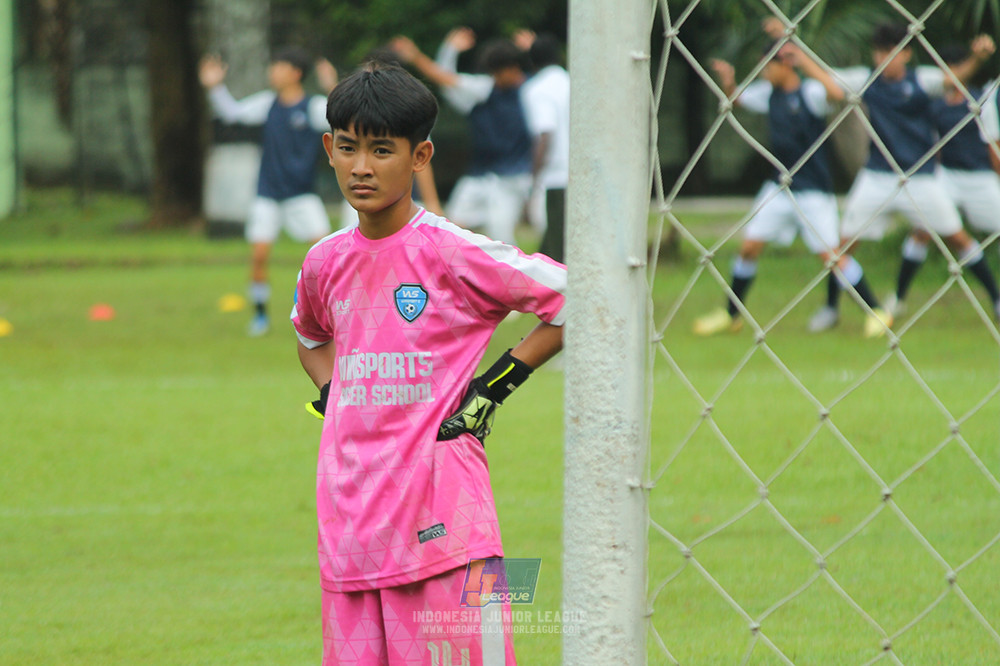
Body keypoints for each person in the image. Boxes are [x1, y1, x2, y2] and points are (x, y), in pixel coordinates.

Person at [291, 62, 566, 665]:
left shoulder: (453, 251)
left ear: (420, 156)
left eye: (382, 150)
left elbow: (577, 297)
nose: (362, 167)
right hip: (350, 531)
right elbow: (309, 333)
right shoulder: (324, 260)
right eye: (348, 148)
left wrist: (497, 384)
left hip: (453, 525)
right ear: (328, 151)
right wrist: (333, 387)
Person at [814, 24, 999, 334]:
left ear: (906, 53)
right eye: (879, 52)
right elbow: (831, 79)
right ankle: (863, 304)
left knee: (957, 239)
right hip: (900, 177)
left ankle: (995, 298)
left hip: (949, 180)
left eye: (891, 52)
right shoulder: (875, 83)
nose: (884, 58)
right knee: (850, 247)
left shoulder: (966, 96)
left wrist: (978, 58)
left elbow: (990, 139)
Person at [693, 40, 885, 337]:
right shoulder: (769, 94)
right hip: (779, 187)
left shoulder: (809, 92)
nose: (763, 73)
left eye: (767, 66)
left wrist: (804, 60)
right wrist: (729, 83)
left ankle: (876, 311)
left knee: (832, 257)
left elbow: (836, 94)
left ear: (785, 65)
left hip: (813, 191)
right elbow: (739, 100)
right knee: (748, 248)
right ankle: (731, 315)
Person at [200, 47, 337, 336]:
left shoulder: (312, 107)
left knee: (327, 256)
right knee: (259, 256)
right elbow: (233, 113)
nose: (272, 72)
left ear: (295, 73)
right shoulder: (267, 104)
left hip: (302, 195)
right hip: (268, 195)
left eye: (279, 66)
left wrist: (332, 87)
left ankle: (331, 312)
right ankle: (260, 317)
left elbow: (341, 117)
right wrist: (214, 87)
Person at [886, 44, 1000, 319]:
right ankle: (898, 299)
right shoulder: (934, 105)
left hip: (980, 177)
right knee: (922, 230)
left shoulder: (980, 100)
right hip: (945, 177)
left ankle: (996, 301)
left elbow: (993, 143)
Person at [391, 28, 534, 244]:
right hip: (480, 174)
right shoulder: (484, 89)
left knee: (501, 233)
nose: (516, 74)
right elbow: (445, 79)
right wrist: (445, 51)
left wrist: (533, 52)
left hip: (513, 177)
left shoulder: (531, 91)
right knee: (451, 229)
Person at [518, 31, 571, 263]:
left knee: (556, 252)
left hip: (556, 179)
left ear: (532, 61)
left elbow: (544, 135)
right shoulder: (573, 82)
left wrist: (534, 178)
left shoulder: (537, 89)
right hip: (584, 173)